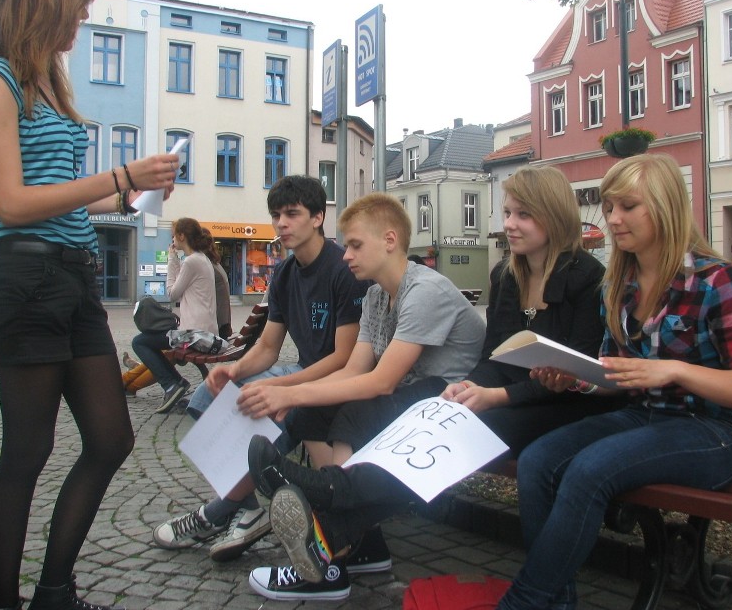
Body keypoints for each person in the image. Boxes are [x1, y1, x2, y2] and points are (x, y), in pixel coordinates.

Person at [0, 0, 179, 608]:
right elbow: (14, 202)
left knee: (111, 439)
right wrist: (119, 172)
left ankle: (54, 590)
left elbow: (65, 197)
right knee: (27, 452)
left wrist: (131, 190)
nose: (79, 26)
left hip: (73, 274)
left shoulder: (46, 83)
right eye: (77, 11)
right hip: (24, 279)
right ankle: (8, 603)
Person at [492, 153, 732, 609]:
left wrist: (675, 369)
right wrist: (575, 379)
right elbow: (615, 374)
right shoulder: (621, 283)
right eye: (610, 206)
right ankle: (556, 602)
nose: (614, 218)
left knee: (589, 469)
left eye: (628, 206)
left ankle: (527, 601)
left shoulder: (719, 281)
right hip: (644, 416)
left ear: (664, 207)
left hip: (715, 432)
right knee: (539, 460)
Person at [243, 192, 487, 601]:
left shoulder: (424, 290)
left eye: (355, 245)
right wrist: (288, 392)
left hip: (451, 406)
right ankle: (357, 545)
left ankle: (329, 544)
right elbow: (355, 369)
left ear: (390, 240)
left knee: (362, 406)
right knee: (311, 415)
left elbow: (381, 382)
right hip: (414, 400)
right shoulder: (375, 295)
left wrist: (291, 389)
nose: (346, 256)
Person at [151, 174, 370, 563]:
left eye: (292, 214)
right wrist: (233, 371)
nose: (282, 224)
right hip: (302, 369)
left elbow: (342, 358)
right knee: (203, 398)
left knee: (268, 408)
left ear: (318, 217)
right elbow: (268, 347)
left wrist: (283, 388)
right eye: (276, 216)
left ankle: (219, 512)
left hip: (332, 377)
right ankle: (247, 506)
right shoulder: (285, 273)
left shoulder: (341, 269)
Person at [120, 226, 230, 397]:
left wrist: (172, 259)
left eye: (174, 236)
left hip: (197, 336)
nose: (172, 240)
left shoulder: (193, 261)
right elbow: (183, 285)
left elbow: (172, 293)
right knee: (157, 343)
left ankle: (170, 384)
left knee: (141, 342)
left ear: (183, 237)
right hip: (207, 332)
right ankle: (133, 379)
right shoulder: (206, 262)